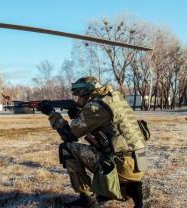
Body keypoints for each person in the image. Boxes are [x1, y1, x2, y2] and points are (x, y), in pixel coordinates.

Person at [39, 77, 149, 208]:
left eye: (78, 96)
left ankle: (88, 198)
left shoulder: (94, 107)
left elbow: (69, 135)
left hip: (120, 165)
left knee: (67, 148)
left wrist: (51, 113)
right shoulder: (114, 98)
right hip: (138, 162)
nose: (77, 99)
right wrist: (80, 114)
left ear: (86, 93)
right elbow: (109, 123)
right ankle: (132, 187)